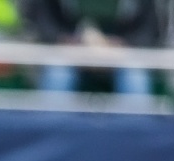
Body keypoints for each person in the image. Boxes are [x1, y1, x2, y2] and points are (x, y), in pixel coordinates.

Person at [25, 0, 157, 95]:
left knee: (135, 76)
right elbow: (43, 22)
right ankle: (51, 129)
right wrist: (65, 41)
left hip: (121, 53)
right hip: (70, 51)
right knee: (58, 73)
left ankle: (136, 131)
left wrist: (121, 45)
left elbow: (148, 30)